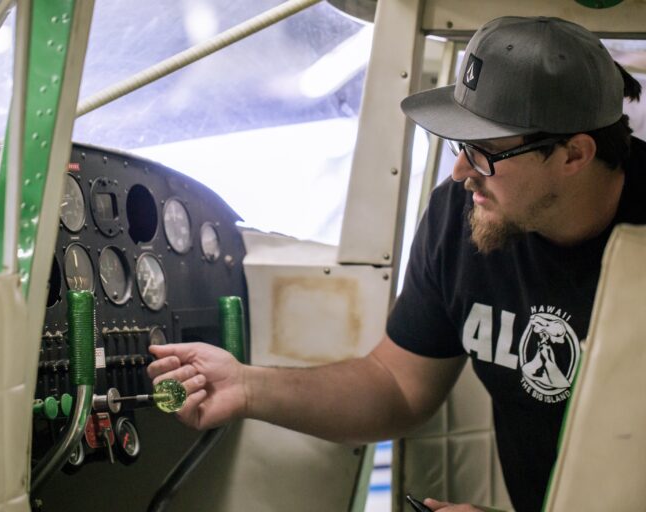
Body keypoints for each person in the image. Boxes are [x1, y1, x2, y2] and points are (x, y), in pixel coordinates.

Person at [148, 16, 644, 512]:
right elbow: (398, 385)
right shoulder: (465, 213)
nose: (461, 172)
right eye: (458, 144)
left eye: (485, 152)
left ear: (575, 154)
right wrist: (248, 386)